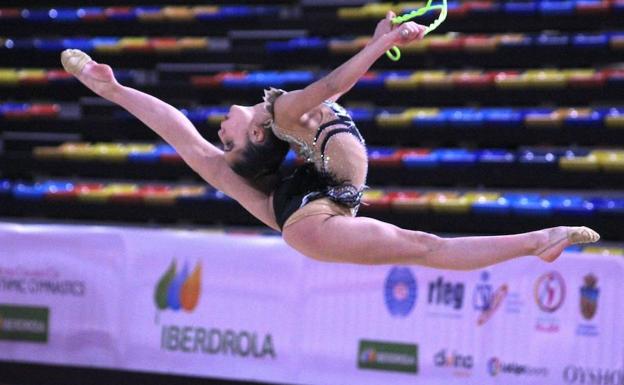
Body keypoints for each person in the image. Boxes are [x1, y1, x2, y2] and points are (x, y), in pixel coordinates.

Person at [60, 12, 599, 269]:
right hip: (311, 223)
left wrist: (113, 89)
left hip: (317, 196)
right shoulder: (281, 113)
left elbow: (173, 125)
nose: (217, 134)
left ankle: (540, 240)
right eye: (228, 140)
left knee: (424, 247)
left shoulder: (281, 134)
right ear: (255, 133)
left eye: (220, 139)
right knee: (422, 247)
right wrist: (383, 44)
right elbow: (335, 85)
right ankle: (537, 239)